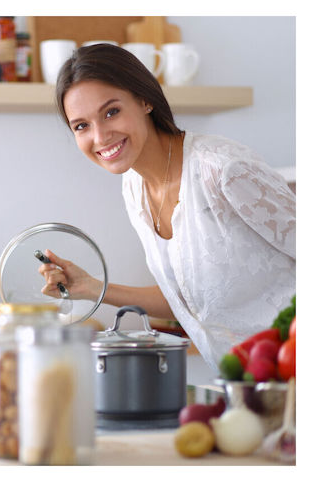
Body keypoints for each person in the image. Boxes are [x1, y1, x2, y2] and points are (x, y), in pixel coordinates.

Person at [37, 43, 295, 372]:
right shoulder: (134, 187)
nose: (100, 136)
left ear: (145, 100)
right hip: (247, 385)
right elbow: (188, 299)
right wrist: (91, 288)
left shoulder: (222, 169)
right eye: (81, 125)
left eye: (111, 111)